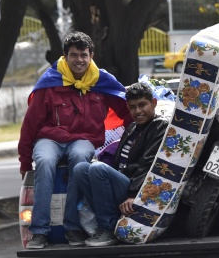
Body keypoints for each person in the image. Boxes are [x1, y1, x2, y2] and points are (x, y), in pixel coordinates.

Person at [18, 31, 132, 249]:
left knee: (80, 160)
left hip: (83, 139)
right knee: (44, 162)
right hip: (49, 138)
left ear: (91, 56)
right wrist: (24, 161)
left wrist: (137, 136)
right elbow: (30, 124)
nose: (79, 60)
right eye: (74, 55)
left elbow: (127, 110)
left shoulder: (102, 80)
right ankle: (39, 232)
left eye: (83, 55)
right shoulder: (50, 81)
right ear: (65, 56)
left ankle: (72, 227)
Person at [70, 82, 169, 247]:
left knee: (98, 168)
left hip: (138, 188)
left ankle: (107, 228)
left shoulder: (159, 126)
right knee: (80, 168)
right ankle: (106, 220)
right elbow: (118, 163)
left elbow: (149, 164)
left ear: (153, 103)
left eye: (142, 105)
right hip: (123, 183)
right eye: (133, 107)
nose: (138, 111)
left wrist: (133, 194)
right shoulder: (132, 127)